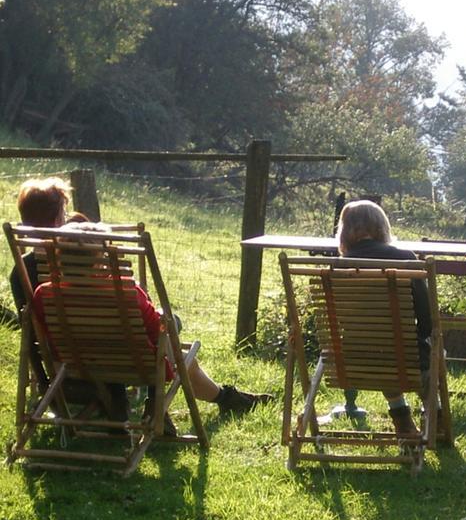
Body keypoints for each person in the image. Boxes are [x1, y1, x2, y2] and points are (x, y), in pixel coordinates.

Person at [9, 177, 272, 423]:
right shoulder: (100, 278)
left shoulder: (28, 278)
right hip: (121, 358)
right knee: (169, 332)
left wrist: (46, 378)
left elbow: (35, 334)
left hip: (67, 362)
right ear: (57, 220)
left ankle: (224, 398)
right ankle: (163, 407)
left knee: (167, 340)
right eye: (64, 215)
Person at [336, 199, 432, 437]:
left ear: (345, 232)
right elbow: (427, 319)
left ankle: (402, 419)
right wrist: (420, 336)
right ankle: (435, 415)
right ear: (382, 226)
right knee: (416, 350)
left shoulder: (337, 267)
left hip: (354, 360)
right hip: (407, 357)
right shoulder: (405, 259)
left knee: (379, 349)